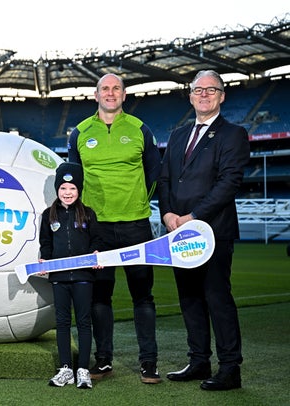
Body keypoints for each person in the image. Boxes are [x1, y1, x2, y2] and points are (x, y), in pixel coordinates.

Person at [157, 70, 250, 391]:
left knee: (216, 297)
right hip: (178, 232)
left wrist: (194, 216)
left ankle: (230, 368)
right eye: (199, 90)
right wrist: (168, 213)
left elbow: (229, 183)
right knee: (189, 298)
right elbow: (166, 179)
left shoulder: (234, 134)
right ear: (191, 95)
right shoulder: (179, 134)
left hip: (212, 231)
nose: (205, 94)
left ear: (222, 96)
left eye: (212, 90)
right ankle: (199, 361)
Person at [68, 73, 162, 384]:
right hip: (98, 230)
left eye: (116, 88)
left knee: (142, 296)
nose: (111, 93)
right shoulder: (80, 132)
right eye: (105, 89)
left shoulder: (140, 129)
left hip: (136, 225)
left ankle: (149, 362)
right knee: (99, 297)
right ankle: (104, 360)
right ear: (96, 95)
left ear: (123, 95)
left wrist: (137, 203)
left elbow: (154, 173)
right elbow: (73, 179)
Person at [40, 162, 103, 389]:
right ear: (57, 190)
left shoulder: (88, 214)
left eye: (73, 188)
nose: (68, 193)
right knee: (63, 322)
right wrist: (44, 260)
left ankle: (83, 369)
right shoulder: (48, 215)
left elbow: (96, 240)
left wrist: (96, 253)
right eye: (63, 188)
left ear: (79, 190)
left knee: (84, 322)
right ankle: (66, 369)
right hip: (59, 278)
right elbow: (45, 244)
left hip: (84, 277)